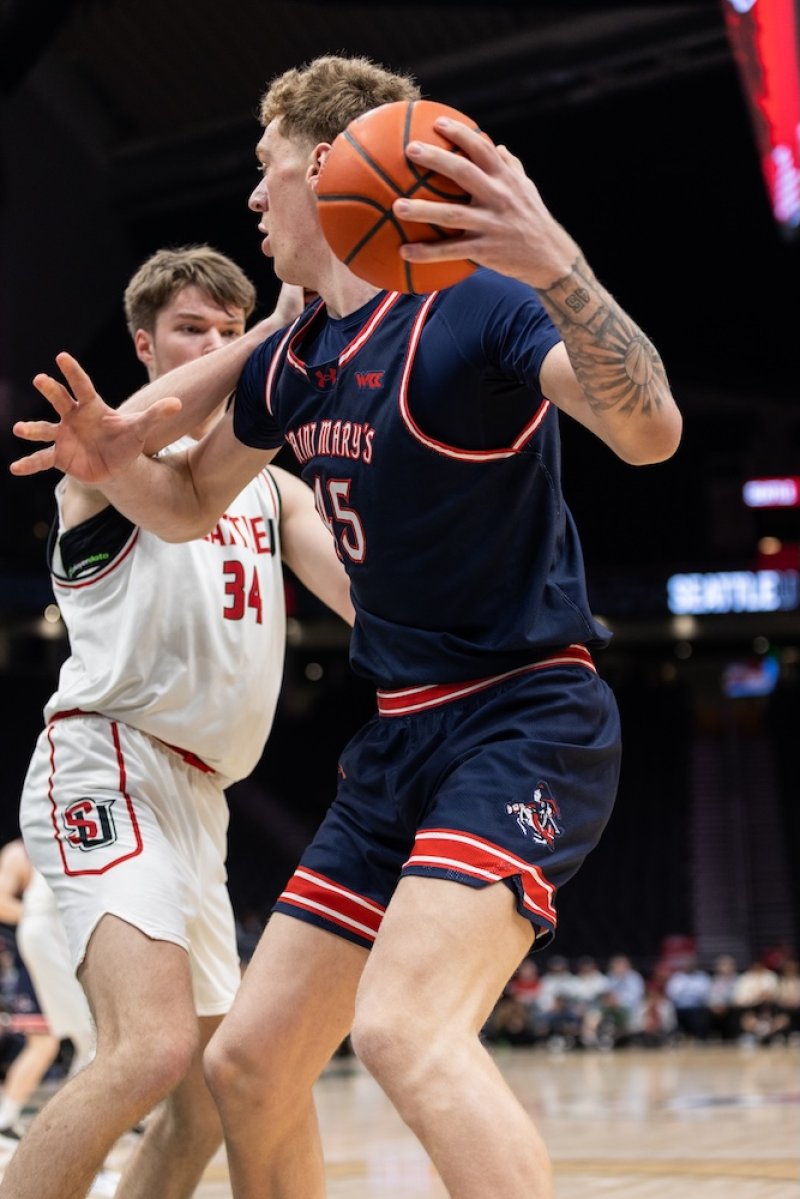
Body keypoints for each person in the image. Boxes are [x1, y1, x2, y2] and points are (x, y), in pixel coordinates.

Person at [9, 54, 682, 1199]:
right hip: (391, 736)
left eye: (264, 167)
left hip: (518, 716)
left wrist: (554, 262)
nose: (251, 196)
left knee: (402, 1029)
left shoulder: (473, 305)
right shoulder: (300, 353)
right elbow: (188, 498)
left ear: (329, 168)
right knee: (247, 1063)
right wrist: (110, 462)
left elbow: (650, 428)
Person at [3, 244, 352, 1199]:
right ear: (145, 345)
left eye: (228, 329)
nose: (215, 344)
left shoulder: (272, 489)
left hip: (200, 799)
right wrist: (276, 333)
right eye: (192, 329)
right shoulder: (106, 461)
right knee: (148, 1050)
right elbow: (145, 440)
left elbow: (367, 599)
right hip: (107, 760)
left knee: (204, 1105)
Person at [0, 841, 94, 1149]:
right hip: (37, 956)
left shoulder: (68, 844)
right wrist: (40, 915)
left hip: (55, 948)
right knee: (50, 1042)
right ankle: (12, 1121)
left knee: (56, 1043)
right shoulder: (20, 853)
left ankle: (8, 1119)